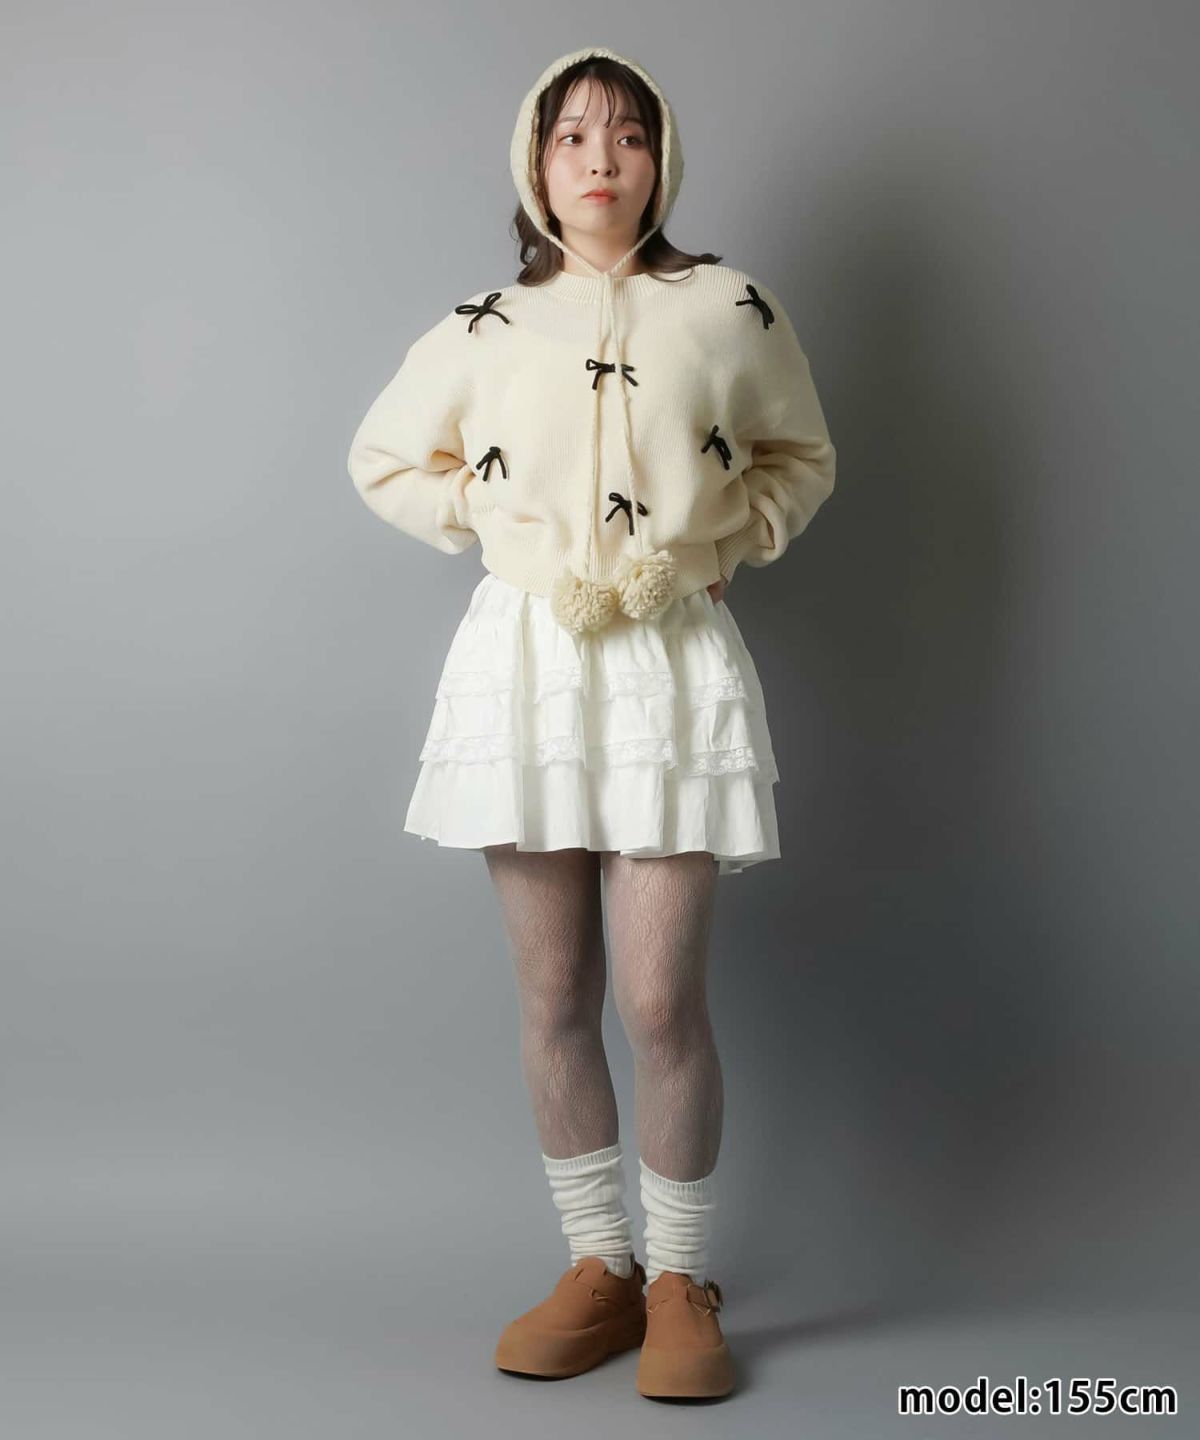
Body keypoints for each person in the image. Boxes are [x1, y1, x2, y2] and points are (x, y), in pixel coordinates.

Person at [346, 44, 836, 1401]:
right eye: (572, 136)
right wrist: (490, 518)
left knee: (659, 997)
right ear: (535, 162)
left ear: (660, 158)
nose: (600, 159)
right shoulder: (487, 327)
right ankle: (599, 1266)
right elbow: (387, 458)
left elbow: (801, 455)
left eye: (626, 134)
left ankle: (681, 1277)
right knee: (555, 994)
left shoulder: (727, 309)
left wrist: (732, 538)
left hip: (668, 655)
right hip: (529, 660)